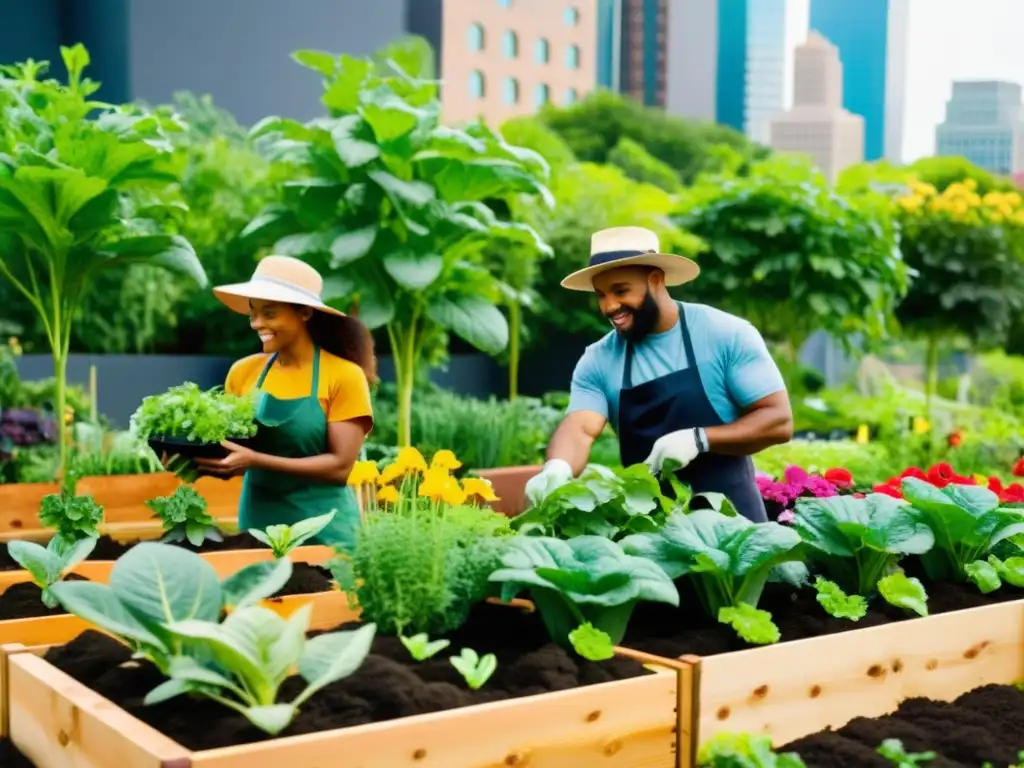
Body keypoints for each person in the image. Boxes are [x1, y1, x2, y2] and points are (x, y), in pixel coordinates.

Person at [525, 226, 793, 523]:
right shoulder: (599, 359)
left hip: (735, 527)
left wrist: (700, 439)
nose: (609, 306)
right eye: (601, 295)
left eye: (621, 290)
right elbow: (580, 429)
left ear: (655, 279)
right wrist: (557, 468)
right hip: (652, 532)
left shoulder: (724, 334)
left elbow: (778, 420)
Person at [193, 255, 375, 549]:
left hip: (326, 531)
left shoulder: (343, 375)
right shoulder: (244, 373)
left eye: (269, 313)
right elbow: (231, 451)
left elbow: (340, 467)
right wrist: (186, 458)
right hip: (258, 524)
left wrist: (256, 461)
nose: (257, 324)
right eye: (253, 313)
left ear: (304, 312)